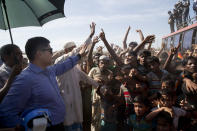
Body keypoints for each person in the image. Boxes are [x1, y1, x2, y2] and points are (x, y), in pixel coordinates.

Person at [0, 36, 87, 130]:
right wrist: (24, 126)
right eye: (50, 50)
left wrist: (79, 56)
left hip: (59, 124)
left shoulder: (49, 70)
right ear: (39, 53)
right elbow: (6, 111)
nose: (52, 53)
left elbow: (64, 65)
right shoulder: (25, 79)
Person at [55, 41, 99, 130]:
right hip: (65, 100)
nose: (76, 50)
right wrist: (90, 37)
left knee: (77, 122)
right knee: (67, 122)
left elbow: (85, 77)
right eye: (73, 48)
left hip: (76, 100)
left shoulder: (76, 66)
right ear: (66, 51)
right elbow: (75, 53)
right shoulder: (59, 61)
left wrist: (98, 85)